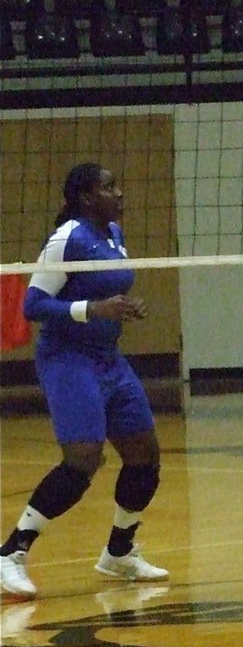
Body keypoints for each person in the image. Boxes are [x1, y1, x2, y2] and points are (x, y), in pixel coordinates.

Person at [0, 163, 169, 598]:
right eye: (110, 187)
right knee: (82, 459)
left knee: (144, 455)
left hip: (108, 359)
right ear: (86, 197)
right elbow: (34, 307)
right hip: (67, 359)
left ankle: (118, 552)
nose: (120, 193)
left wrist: (121, 307)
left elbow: (100, 290)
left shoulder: (113, 233)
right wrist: (92, 310)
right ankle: (11, 552)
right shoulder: (67, 238)